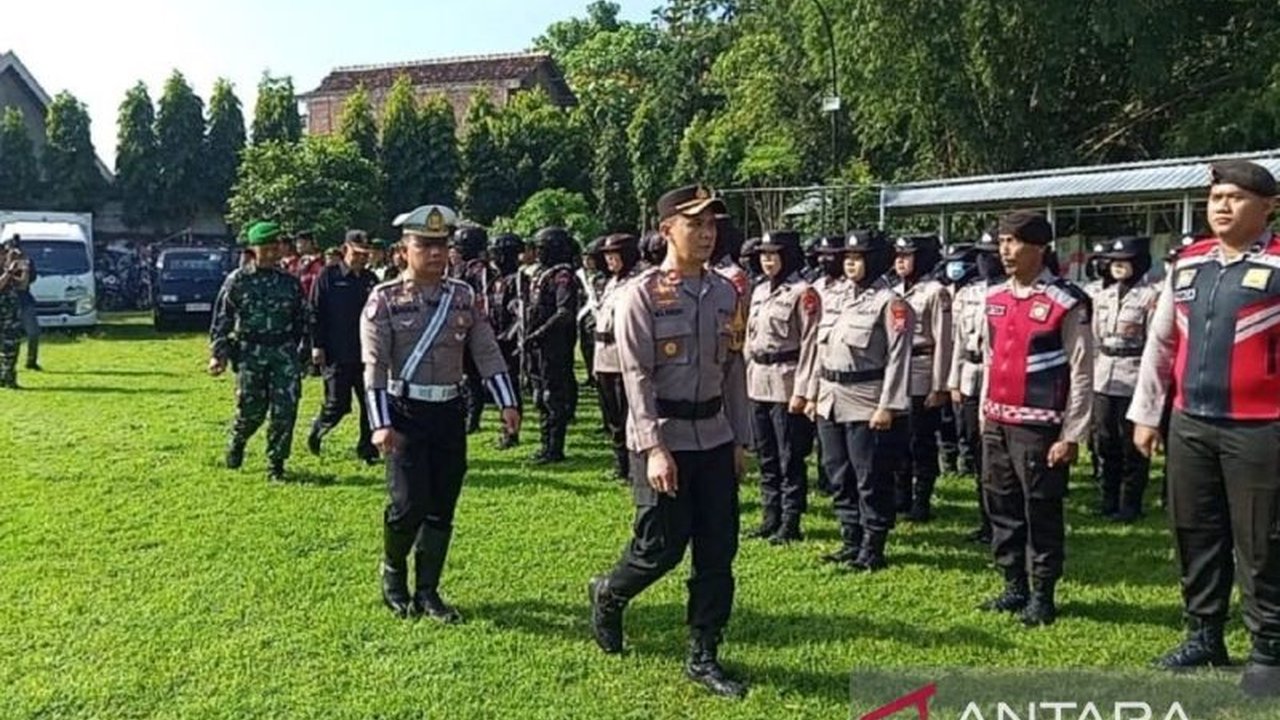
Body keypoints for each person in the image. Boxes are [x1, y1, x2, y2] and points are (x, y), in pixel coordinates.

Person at [587, 184, 751, 699]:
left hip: (715, 437)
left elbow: (734, 372)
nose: (705, 234)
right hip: (665, 439)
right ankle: (610, 594)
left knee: (717, 550)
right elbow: (635, 378)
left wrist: (740, 439)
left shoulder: (728, 293)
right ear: (667, 231)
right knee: (659, 547)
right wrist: (654, 448)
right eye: (694, 225)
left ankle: (704, 652)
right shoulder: (641, 295)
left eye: (711, 226)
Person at [1129, 160, 1280, 697]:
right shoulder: (1188, 265)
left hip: (1262, 427)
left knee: (1261, 540)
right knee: (1194, 529)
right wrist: (1148, 414)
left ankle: (1268, 650)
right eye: (1216, 196)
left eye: (1235, 197)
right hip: (1191, 422)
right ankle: (1204, 634)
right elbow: (1162, 342)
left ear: (1267, 207)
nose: (1221, 205)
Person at [360, 204, 520, 622]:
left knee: (442, 504)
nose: (435, 253)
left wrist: (507, 401)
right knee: (407, 504)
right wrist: (380, 424)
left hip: (448, 410)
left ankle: (428, 590)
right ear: (403, 250)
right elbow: (374, 365)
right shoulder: (385, 299)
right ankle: (394, 574)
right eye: (425, 245)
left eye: (441, 246)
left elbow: (485, 349)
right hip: (404, 411)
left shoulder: (463, 296)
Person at [978, 211, 1092, 628]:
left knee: (1040, 508)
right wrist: (984, 416)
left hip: (1040, 425)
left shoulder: (1066, 300)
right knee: (1002, 504)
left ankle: (1043, 590)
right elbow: (991, 362)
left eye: (1014, 242)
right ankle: (1013, 585)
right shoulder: (994, 298)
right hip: (997, 420)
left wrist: (1073, 433)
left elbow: (1081, 370)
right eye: (1002, 242)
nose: (1005, 250)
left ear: (1040, 248)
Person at [808, 230, 911, 571]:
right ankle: (850, 537)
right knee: (837, 472)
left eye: (859, 258)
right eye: (848, 258)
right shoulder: (835, 297)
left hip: (866, 400)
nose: (851, 264)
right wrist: (812, 394)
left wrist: (888, 405)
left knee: (869, 477)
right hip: (830, 397)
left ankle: (873, 543)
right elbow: (818, 350)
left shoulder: (891, 302)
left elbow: (899, 358)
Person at [208, 221, 309, 482]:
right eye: (265, 246)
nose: (272, 251)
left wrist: (304, 352)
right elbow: (223, 319)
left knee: (285, 410)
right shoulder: (238, 280)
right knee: (251, 411)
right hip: (250, 352)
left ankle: (276, 464)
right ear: (253, 249)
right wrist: (218, 354)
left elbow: (303, 319)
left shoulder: (289, 282)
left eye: (275, 246)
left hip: (283, 351)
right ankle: (238, 440)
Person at [744, 230, 820, 544]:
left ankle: (790, 520)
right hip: (758, 380)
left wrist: (803, 391)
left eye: (773, 254)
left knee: (790, 456)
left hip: (787, 383)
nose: (767, 260)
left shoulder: (804, 293)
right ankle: (769, 515)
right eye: (763, 255)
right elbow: (750, 336)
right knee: (766, 455)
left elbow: (811, 343)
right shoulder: (760, 290)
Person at [1090, 236, 1158, 522]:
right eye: (1114, 262)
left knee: (1132, 444)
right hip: (1104, 376)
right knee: (1105, 442)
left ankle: (1130, 503)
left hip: (1134, 376)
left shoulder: (1151, 296)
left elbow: (1155, 341)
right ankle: (1108, 499)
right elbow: (1094, 338)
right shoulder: (1102, 297)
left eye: (1125, 261)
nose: (1117, 267)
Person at [891, 235, 953, 522]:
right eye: (898, 255)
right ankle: (901, 495)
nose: (900, 260)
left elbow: (943, 340)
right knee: (899, 439)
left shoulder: (935, 292)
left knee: (921, 440)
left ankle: (922, 498)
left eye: (907, 255)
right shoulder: (893, 290)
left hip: (922, 368)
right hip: (897, 371)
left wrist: (939, 385)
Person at [307, 230, 381, 464]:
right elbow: (315, 312)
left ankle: (367, 449)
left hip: (366, 353)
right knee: (337, 405)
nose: (362, 258)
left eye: (365, 253)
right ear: (345, 249)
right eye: (357, 253)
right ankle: (318, 429)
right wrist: (316, 345)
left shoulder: (370, 280)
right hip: (337, 351)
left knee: (370, 403)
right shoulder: (328, 276)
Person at [947, 233, 1003, 543]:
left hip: (1000, 379)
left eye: (991, 254)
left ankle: (1003, 520)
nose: (986, 260)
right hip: (971, 375)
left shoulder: (1015, 292)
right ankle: (986, 520)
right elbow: (957, 340)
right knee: (976, 446)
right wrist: (953, 381)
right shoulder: (968, 293)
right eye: (982, 254)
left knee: (998, 453)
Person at [525, 227, 581, 464]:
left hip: (554, 344)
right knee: (540, 394)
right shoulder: (543, 273)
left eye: (542, 249)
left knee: (552, 396)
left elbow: (564, 313)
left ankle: (554, 448)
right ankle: (545, 443)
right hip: (539, 344)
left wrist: (539, 333)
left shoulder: (563, 275)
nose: (538, 254)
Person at [593, 233, 642, 480]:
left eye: (615, 256)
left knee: (626, 413)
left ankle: (632, 465)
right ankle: (620, 464)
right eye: (607, 256)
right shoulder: (610, 283)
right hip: (603, 356)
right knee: (611, 415)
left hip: (623, 357)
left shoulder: (636, 283)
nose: (610, 261)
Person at [454, 226, 497, 435]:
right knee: (466, 375)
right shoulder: (466, 268)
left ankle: (473, 417)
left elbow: (480, 300)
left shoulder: (478, 269)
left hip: (473, 326)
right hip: (463, 325)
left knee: (472, 375)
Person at [489, 233, 527, 449]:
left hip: (510, 345)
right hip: (495, 342)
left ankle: (511, 431)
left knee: (510, 387)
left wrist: (508, 337)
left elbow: (520, 314)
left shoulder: (518, 280)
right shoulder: (497, 280)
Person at [7, 235, 40, 371]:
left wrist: (24, 268)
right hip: (6, 302)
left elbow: (24, 284)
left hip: (24, 301)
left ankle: (31, 361)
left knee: (33, 332)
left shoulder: (26, 262)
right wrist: (9, 266)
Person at [0, 238, 30, 388]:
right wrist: (9, 270)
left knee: (11, 349)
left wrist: (24, 270)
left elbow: (22, 286)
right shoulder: (6, 271)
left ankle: (9, 379)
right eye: (3, 254)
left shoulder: (9, 270)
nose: (5, 256)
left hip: (11, 317)